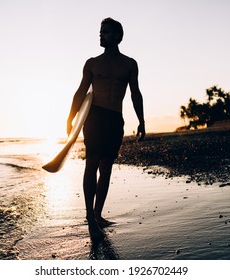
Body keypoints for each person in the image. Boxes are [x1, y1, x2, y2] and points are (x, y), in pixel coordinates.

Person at [67, 17, 145, 240]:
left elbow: (135, 94)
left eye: (106, 32)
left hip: (115, 118)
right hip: (95, 116)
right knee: (91, 163)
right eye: (100, 32)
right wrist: (70, 117)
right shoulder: (92, 63)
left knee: (107, 167)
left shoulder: (129, 64)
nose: (101, 35)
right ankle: (90, 220)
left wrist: (142, 120)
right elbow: (81, 91)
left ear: (118, 36)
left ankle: (98, 214)